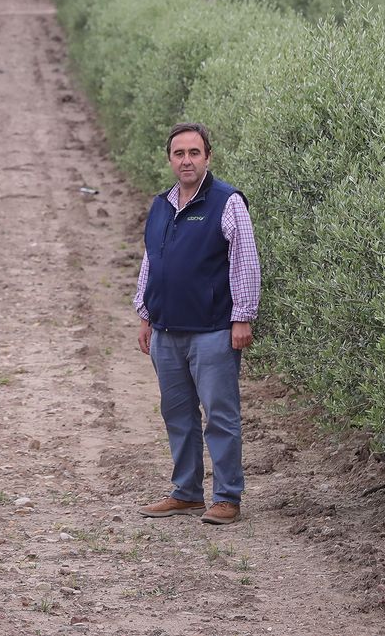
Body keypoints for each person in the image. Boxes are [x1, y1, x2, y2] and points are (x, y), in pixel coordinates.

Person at [133, 122, 261, 525]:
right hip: (166, 331)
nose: (186, 160)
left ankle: (226, 498)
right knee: (177, 415)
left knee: (220, 416)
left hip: (213, 331)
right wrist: (145, 313)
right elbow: (151, 261)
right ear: (170, 159)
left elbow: (245, 261)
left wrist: (242, 317)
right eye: (179, 154)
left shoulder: (227, 202)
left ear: (208, 157)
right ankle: (186, 493)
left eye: (194, 153)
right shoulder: (161, 205)